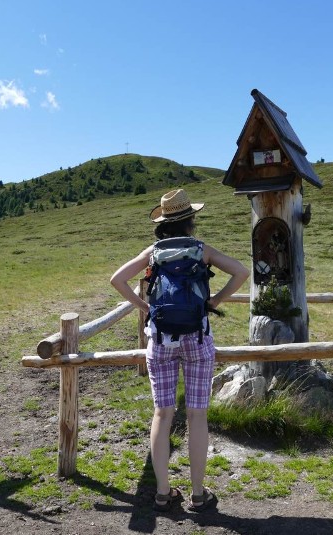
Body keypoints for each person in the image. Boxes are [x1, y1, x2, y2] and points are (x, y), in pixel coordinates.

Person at [110, 189, 249, 512]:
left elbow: (116, 279)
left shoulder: (153, 252)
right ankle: (198, 494)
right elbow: (242, 272)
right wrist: (213, 302)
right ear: (190, 220)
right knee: (197, 415)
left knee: (162, 413)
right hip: (198, 339)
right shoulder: (201, 251)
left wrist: (145, 307)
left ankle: (162, 492)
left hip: (160, 339)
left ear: (163, 222)